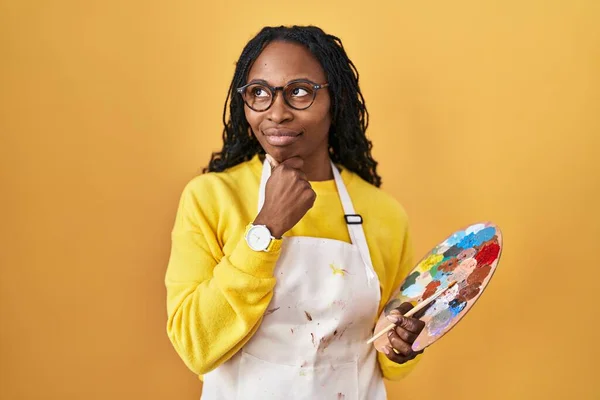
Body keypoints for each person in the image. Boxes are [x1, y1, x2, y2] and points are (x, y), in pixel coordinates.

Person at [165, 25, 425, 399]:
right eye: (259, 93)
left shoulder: (384, 214)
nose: (277, 112)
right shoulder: (210, 198)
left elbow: (389, 357)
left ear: (336, 100)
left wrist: (402, 346)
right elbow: (196, 346)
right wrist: (266, 228)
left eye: (299, 92)